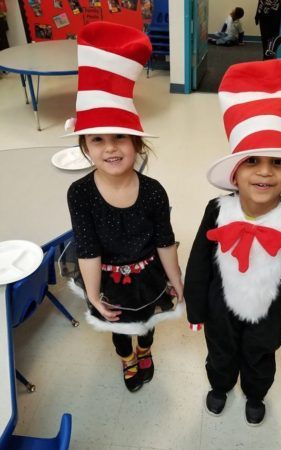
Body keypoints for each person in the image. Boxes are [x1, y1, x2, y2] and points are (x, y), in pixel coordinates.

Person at [184, 60, 281, 426]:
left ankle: (255, 393)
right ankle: (220, 386)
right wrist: (196, 310)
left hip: (270, 313)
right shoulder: (216, 210)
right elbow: (199, 263)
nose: (264, 171)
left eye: (277, 163)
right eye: (252, 162)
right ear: (235, 171)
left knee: (261, 355)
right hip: (220, 307)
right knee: (220, 352)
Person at [66, 22, 184, 393]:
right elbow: (87, 249)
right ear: (85, 146)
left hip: (147, 273)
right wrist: (95, 296)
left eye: (120, 137)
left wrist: (177, 279)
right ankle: (128, 359)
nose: (110, 148)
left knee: (146, 322)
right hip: (106, 278)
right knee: (117, 328)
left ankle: (145, 351)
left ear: (137, 143)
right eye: (97, 139)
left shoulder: (153, 191)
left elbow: (165, 239)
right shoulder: (79, 193)